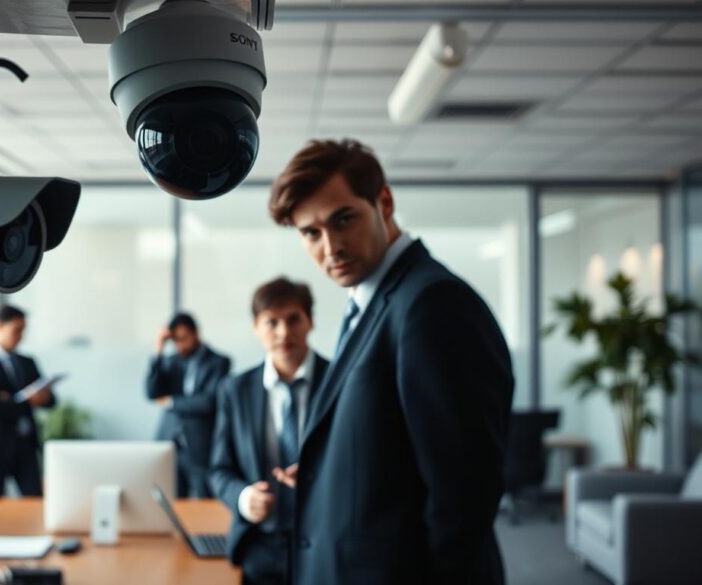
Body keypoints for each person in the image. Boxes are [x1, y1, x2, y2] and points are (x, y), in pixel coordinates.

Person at [267, 139, 514, 584]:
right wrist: (332, 466)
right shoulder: (372, 300)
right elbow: (396, 439)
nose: (332, 247)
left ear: (383, 202)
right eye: (311, 233)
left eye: (344, 220)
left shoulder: (432, 304)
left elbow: (464, 497)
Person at [210, 278, 329, 585]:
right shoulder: (235, 390)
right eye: (271, 322)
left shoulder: (339, 382)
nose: (283, 332)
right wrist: (242, 497)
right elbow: (219, 469)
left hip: (323, 544)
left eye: (293, 319)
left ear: (310, 321)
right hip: (259, 545)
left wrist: (320, 476)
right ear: (256, 327)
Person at [0, 305, 57, 506]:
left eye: (24, 330)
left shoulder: (27, 362)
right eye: (16, 330)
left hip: (26, 446)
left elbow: (51, 400)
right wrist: (29, 401)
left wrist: (8, 400)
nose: (21, 336)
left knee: (36, 505)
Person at [147, 312, 231, 497]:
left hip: (199, 447)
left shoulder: (219, 362)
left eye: (184, 338)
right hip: (169, 444)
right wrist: (159, 348)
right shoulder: (171, 361)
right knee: (170, 503)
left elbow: (208, 402)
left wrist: (171, 402)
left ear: (196, 334)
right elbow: (152, 393)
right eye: (175, 340)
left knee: (205, 503)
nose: (179, 345)